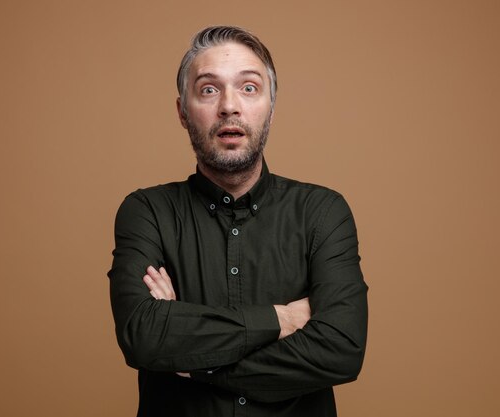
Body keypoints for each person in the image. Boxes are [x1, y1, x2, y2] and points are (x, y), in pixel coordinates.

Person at [108, 25, 368, 417]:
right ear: (182, 111)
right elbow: (145, 337)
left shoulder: (322, 212)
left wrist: (196, 361)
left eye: (249, 88)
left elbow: (341, 349)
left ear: (271, 107)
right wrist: (281, 319)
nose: (229, 106)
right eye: (209, 90)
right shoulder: (147, 212)